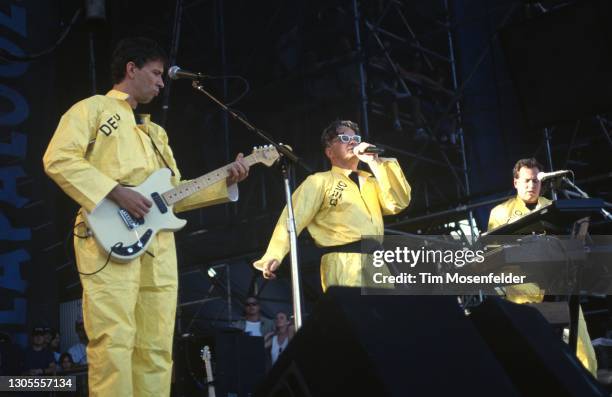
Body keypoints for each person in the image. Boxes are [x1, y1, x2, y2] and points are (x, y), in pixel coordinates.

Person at [43, 37, 249, 396]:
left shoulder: (156, 133)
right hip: (106, 234)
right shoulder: (92, 109)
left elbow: (173, 195)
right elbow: (58, 158)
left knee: (155, 345)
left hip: (158, 244)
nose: (161, 81)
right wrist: (114, 190)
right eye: (155, 73)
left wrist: (224, 181)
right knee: (115, 339)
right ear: (131, 68)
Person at [253, 120, 411, 290]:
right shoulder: (319, 181)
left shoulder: (371, 182)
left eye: (356, 138)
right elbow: (293, 217)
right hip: (342, 262)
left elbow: (398, 203)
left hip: (377, 263)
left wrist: (375, 163)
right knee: (351, 313)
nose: (352, 142)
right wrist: (274, 254)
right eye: (344, 138)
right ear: (330, 152)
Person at [487, 158, 597, 375]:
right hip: (522, 291)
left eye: (536, 180)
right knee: (536, 355)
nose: (532, 185)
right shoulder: (500, 213)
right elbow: (493, 255)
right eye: (527, 180)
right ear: (515, 183)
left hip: (559, 288)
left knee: (585, 354)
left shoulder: (552, 207)